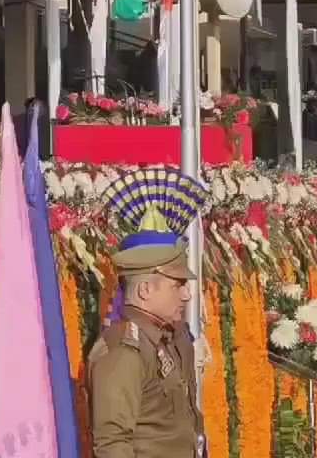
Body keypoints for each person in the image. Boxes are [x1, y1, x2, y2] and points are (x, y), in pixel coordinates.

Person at [87, 168, 206, 458]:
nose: (187, 294)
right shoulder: (124, 351)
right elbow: (113, 444)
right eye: (176, 285)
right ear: (145, 291)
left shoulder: (172, 339)